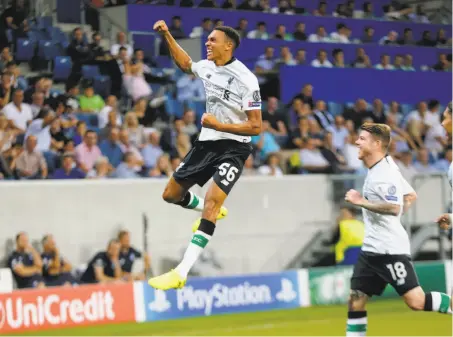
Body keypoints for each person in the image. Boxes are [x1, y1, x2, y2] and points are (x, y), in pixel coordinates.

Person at [148, 20, 262, 290]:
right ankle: (210, 209)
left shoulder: (246, 79)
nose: (207, 44)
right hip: (207, 143)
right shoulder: (208, 67)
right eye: (207, 40)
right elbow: (185, 63)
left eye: (212, 40)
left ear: (228, 45)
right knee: (171, 195)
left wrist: (219, 125)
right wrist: (167, 35)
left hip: (234, 146)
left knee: (211, 203)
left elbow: (256, 126)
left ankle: (181, 271)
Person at [344, 123, 451, 336]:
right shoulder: (384, 166)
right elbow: (410, 196)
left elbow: (394, 207)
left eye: (362, 139)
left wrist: (361, 201)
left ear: (376, 144)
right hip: (371, 250)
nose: (357, 142)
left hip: (389, 251)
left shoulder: (384, 174)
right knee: (356, 300)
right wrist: (392, 217)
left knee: (417, 302)